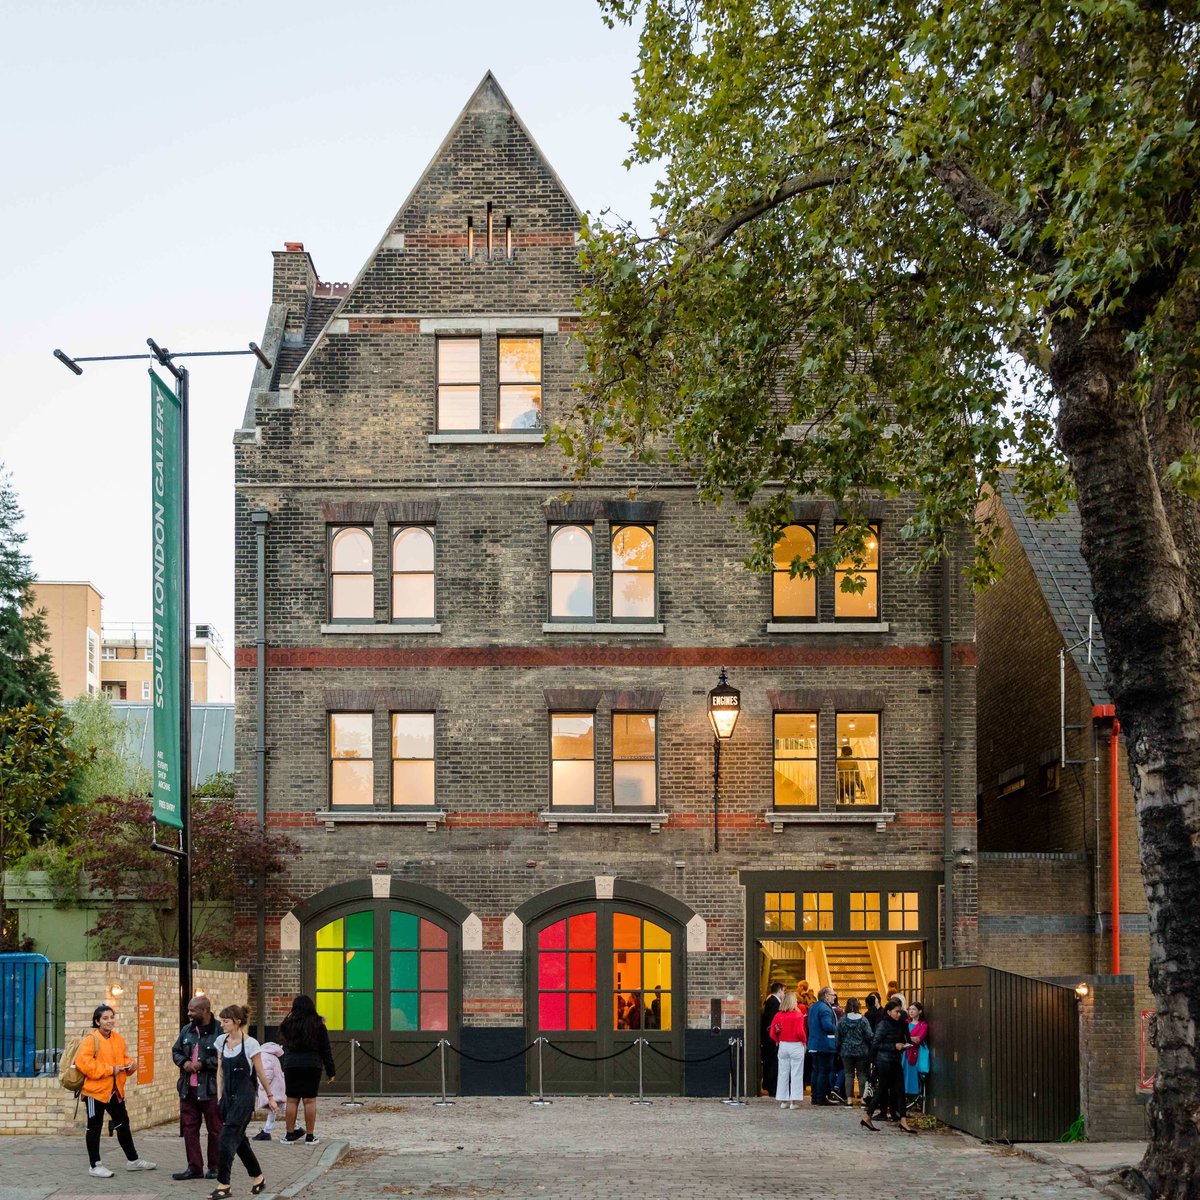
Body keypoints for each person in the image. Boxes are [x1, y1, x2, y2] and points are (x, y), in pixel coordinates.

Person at [76, 1003, 157, 1178]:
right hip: (95, 1092)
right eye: (105, 1018)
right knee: (94, 1127)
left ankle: (133, 1160)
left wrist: (130, 1065)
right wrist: (110, 1070)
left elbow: (122, 1059)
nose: (110, 1021)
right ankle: (95, 1165)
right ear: (97, 1022)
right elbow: (84, 1064)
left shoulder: (118, 1038)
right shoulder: (91, 1039)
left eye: (112, 1017)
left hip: (115, 1091)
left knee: (123, 1124)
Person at [211, 1004, 276, 1200]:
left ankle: (224, 1185)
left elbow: (260, 1072)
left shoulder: (251, 1044)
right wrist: (219, 1096)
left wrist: (270, 1097)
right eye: (221, 1021)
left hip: (244, 1097)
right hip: (227, 1098)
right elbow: (220, 1071)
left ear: (237, 1022)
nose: (222, 1024)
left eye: (225, 1021)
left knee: (226, 1138)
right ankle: (258, 1178)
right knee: (239, 1140)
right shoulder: (221, 1041)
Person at [171, 994, 223, 1180]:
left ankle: (215, 1166)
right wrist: (184, 1062)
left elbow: (224, 1057)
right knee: (189, 1129)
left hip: (210, 1089)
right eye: (188, 1010)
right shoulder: (187, 1030)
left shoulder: (219, 1031)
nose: (189, 1014)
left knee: (215, 1129)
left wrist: (203, 1064)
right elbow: (176, 1051)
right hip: (188, 1089)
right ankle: (194, 1167)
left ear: (205, 1010)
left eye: (193, 1010)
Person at [279, 995, 336, 1145]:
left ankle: (289, 1135)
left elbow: (284, 1042)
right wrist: (331, 1071)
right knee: (309, 1101)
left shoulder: (288, 1024)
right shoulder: (318, 1025)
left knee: (292, 1100)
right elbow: (325, 1049)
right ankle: (310, 1136)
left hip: (292, 1064)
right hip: (312, 1064)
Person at [862, 997, 916, 1133]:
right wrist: (893, 1046)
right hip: (884, 1061)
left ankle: (903, 1120)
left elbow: (907, 1039)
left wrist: (904, 1045)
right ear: (889, 1012)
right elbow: (876, 1044)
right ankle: (867, 1116)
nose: (899, 1014)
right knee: (882, 1090)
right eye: (896, 1011)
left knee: (900, 1090)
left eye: (900, 1011)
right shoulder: (883, 1025)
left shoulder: (901, 1023)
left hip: (896, 1059)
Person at [768, 990, 807, 1108]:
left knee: (782, 1073)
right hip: (796, 1045)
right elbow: (800, 1032)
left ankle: (783, 1101)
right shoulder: (798, 1015)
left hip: (783, 1045)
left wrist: (777, 1040)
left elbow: (772, 1032)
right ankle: (793, 1102)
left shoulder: (778, 1015)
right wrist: (804, 1042)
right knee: (796, 1073)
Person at [835, 998, 872, 1103]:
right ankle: (863, 1099)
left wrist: (839, 1048)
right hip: (861, 1051)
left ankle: (849, 1100)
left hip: (846, 1051)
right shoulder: (863, 1020)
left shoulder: (842, 1020)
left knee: (848, 1074)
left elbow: (838, 1037)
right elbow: (869, 1036)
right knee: (861, 1074)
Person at [805, 986, 838, 1105]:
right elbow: (827, 1026)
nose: (834, 997)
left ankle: (814, 1096)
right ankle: (821, 1097)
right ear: (826, 996)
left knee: (816, 1070)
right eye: (833, 995)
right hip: (824, 1045)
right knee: (824, 1071)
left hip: (814, 1043)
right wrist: (839, 1029)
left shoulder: (813, 1006)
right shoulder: (825, 1009)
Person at [252, 1041, 287, 1140]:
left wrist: (262, 1085)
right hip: (277, 1086)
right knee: (276, 1109)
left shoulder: (263, 1056)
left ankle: (296, 1127)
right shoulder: (271, 1055)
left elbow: (266, 1073)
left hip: (272, 1088)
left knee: (281, 1108)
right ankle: (267, 1131)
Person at [760, 981, 785, 1096]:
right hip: (772, 1039)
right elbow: (774, 1022)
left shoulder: (771, 1001)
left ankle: (769, 1085)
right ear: (779, 990)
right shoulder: (774, 1002)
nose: (784, 994)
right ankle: (772, 1087)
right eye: (783, 991)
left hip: (769, 1038)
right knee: (773, 1063)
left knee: (770, 1063)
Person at [904, 1002, 930, 1108]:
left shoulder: (923, 1025)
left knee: (912, 1074)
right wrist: (911, 1038)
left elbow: (919, 1039)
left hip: (914, 1053)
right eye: (910, 1009)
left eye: (914, 1009)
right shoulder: (906, 1023)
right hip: (903, 1052)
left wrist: (906, 1038)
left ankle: (913, 1096)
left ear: (920, 1011)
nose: (911, 1011)